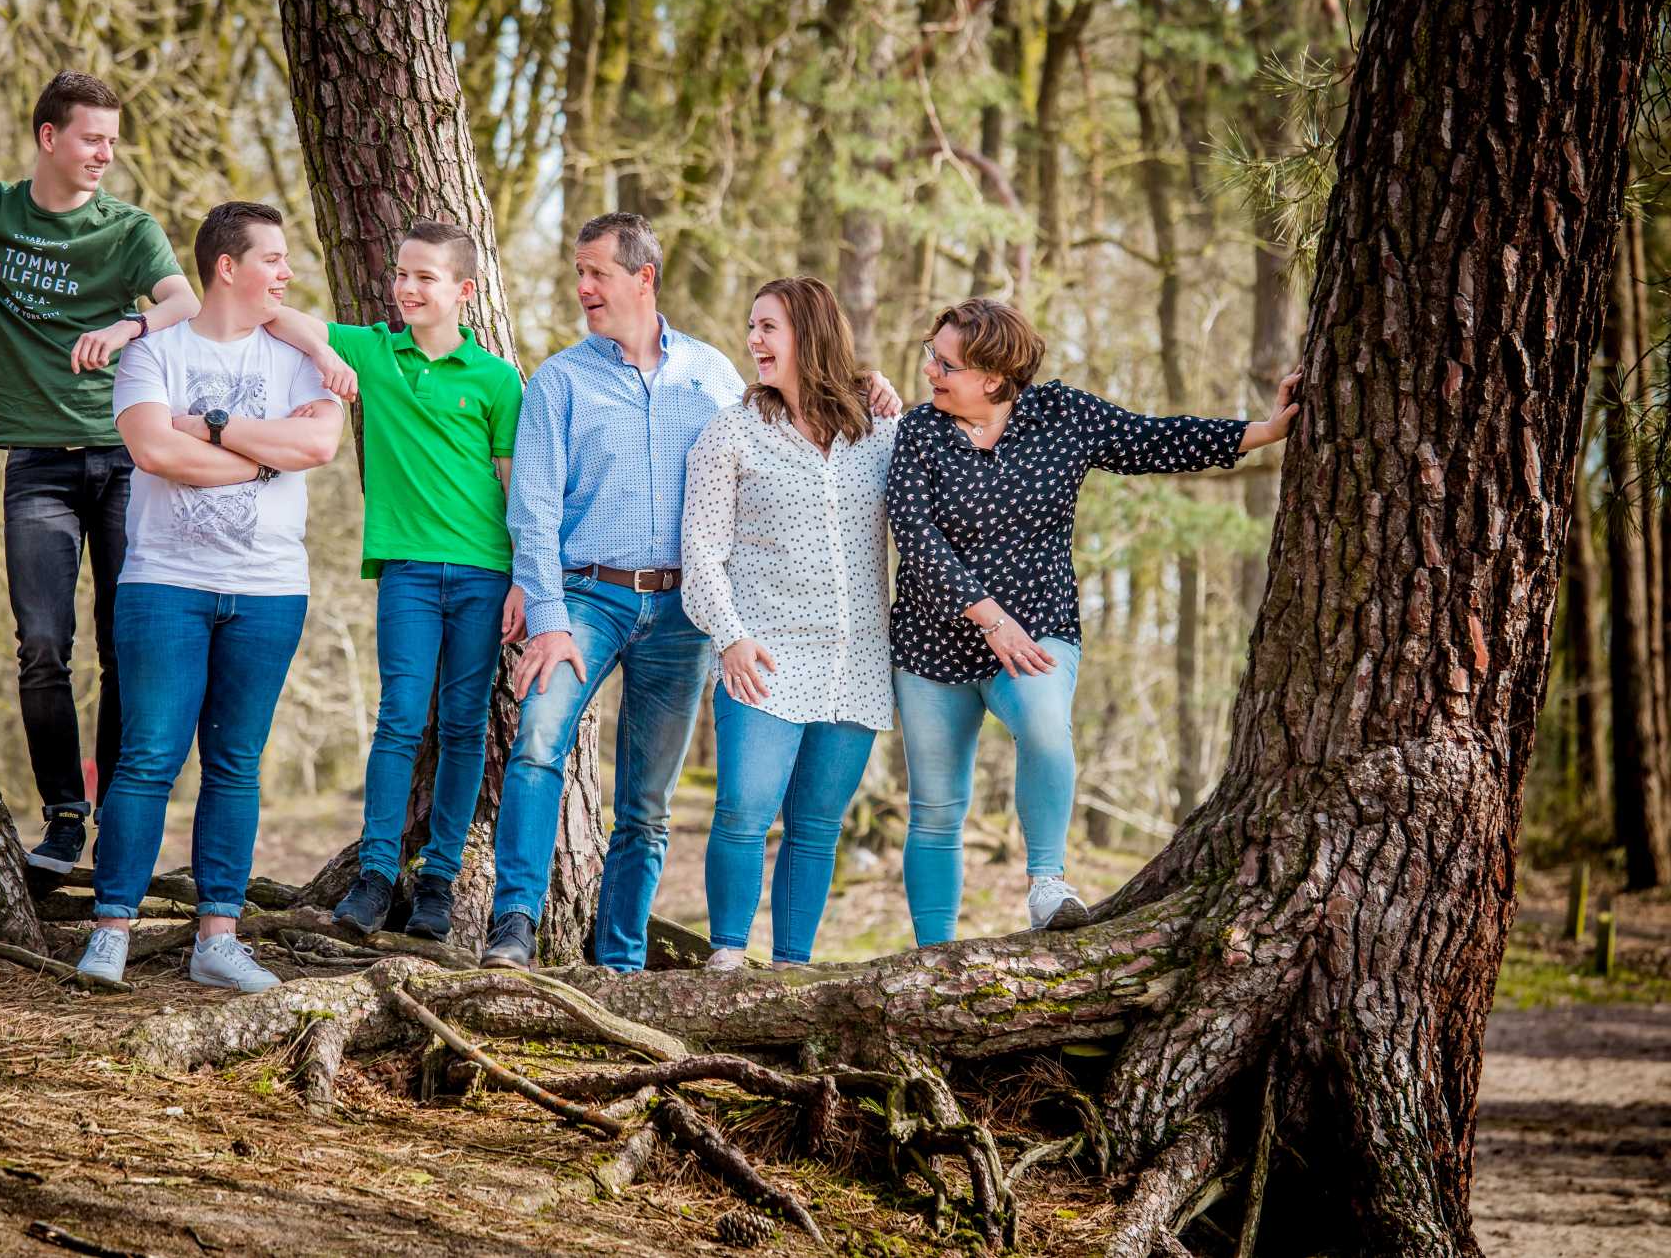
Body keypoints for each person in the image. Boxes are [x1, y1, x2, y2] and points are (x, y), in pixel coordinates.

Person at [0, 72, 347, 886]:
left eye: (112, 139)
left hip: (119, 457)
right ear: (48, 138)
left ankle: (113, 818)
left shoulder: (130, 229)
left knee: (119, 642)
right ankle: (63, 814)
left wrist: (132, 325)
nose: (106, 152)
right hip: (36, 462)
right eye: (91, 138)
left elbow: (197, 297)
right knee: (41, 645)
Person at [483, 212, 901, 972]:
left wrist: (870, 387)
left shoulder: (713, 378)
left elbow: (791, 436)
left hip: (682, 614)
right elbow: (533, 509)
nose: (583, 288)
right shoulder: (559, 381)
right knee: (540, 741)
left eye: (596, 273)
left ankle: (620, 957)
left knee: (647, 801)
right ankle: (514, 922)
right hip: (588, 598)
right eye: (579, 273)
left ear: (643, 278)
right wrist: (545, 615)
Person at [887, 298, 1300, 939]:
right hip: (934, 644)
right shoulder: (919, 433)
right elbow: (916, 536)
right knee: (936, 809)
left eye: (945, 363)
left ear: (994, 376)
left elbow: (1154, 440)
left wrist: (1263, 432)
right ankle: (932, 953)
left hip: (1037, 631)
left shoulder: (1063, 416)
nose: (929, 371)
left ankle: (1048, 886)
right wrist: (990, 618)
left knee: (1048, 729)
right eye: (929, 356)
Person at [72, 202, 346, 992]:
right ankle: (111, 926)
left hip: (268, 589)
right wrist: (265, 457)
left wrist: (216, 428)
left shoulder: (302, 353)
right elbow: (155, 451)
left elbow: (319, 444)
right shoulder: (154, 351)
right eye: (274, 257)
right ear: (228, 266)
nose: (287, 272)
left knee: (235, 762)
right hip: (165, 583)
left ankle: (218, 937)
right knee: (148, 755)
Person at [268, 222, 523, 943]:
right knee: (402, 718)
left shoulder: (498, 381)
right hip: (407, 571)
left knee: (467, 724)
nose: (406, 288)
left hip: (483, 573)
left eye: (425, 278)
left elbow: (514, 491)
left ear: (464, 292)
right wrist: (323, 350)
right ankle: (377, 875)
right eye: (401, 274)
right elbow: (273, 313)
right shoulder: (375, 352)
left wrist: (525, 583)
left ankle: (439, 881)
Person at [680, 277, 898, 970]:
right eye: (751, 327)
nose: (753, 341)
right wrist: (730, 635)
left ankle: (793, 966)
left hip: (855, 660)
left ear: (810, 331)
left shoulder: (882, 431)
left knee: (817, 826)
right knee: (744, 811)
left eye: (768, 327)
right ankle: (727, 956)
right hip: (762, 655)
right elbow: (701, 551)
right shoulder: (733, 432)